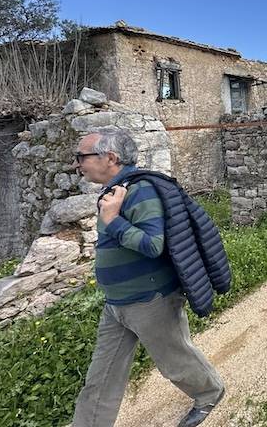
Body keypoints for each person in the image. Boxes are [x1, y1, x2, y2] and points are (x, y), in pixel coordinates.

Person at [71, 128, 225, 427]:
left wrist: (113, 221)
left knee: (175, 361)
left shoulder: (140, 191)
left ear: (110, 157)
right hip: (116, 303)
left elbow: (153, 244)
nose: (78, 164)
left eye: (82, 157)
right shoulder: (116, 191)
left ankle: (209, 393)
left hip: (150, 300)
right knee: (100, 377)